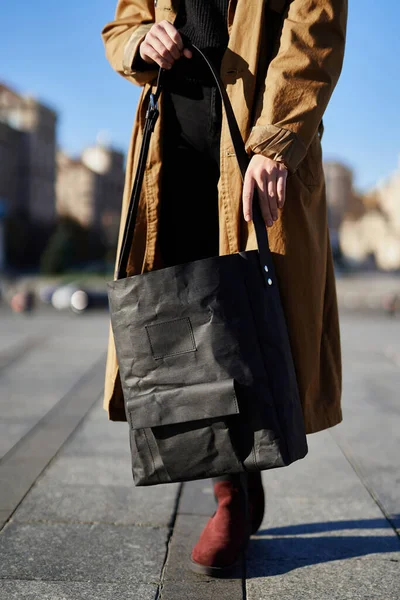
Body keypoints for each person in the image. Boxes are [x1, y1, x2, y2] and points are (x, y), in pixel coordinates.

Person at [102, 0, 348, 576]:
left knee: (254, 313)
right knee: (192, 322)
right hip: (175, 140)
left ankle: (241, 478)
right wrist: (142, 41)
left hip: (255, 135)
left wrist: (277, 140)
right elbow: (121, 26)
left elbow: (314, 28)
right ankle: (231, 491)